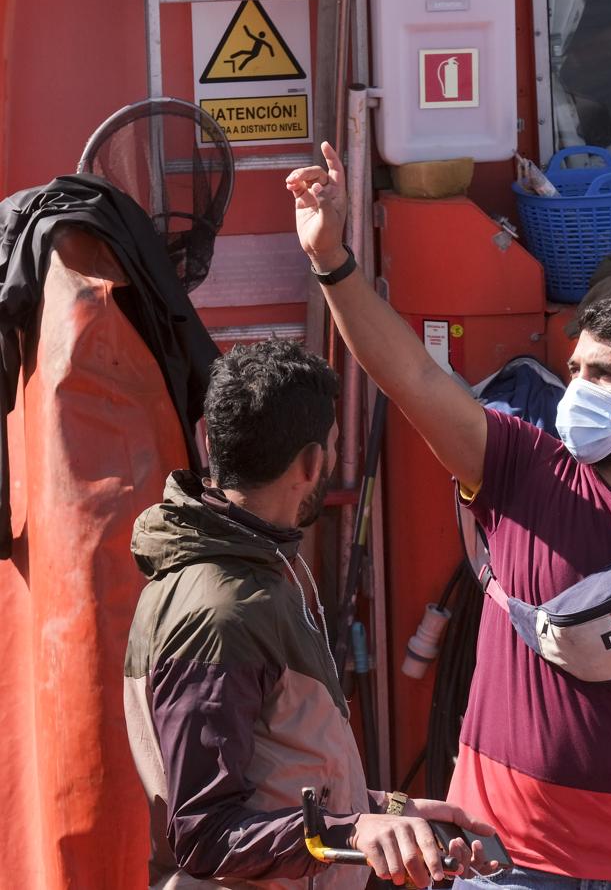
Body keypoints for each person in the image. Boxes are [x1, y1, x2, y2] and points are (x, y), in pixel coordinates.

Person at [286, 143, 611, 890]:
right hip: (502, 860)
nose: (575, 388)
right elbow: (412, 372)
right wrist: (332, 261)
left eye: (602, 376)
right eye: (576, 368)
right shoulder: (518, 468)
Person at [124, 339, 495, 889]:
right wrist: (349, 835)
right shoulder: (220, 609)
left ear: (209, 440)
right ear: (312, 462)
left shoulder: (258, 567)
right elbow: (204, 835)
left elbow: (280, 776)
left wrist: (389, 816)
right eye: (334, 446)